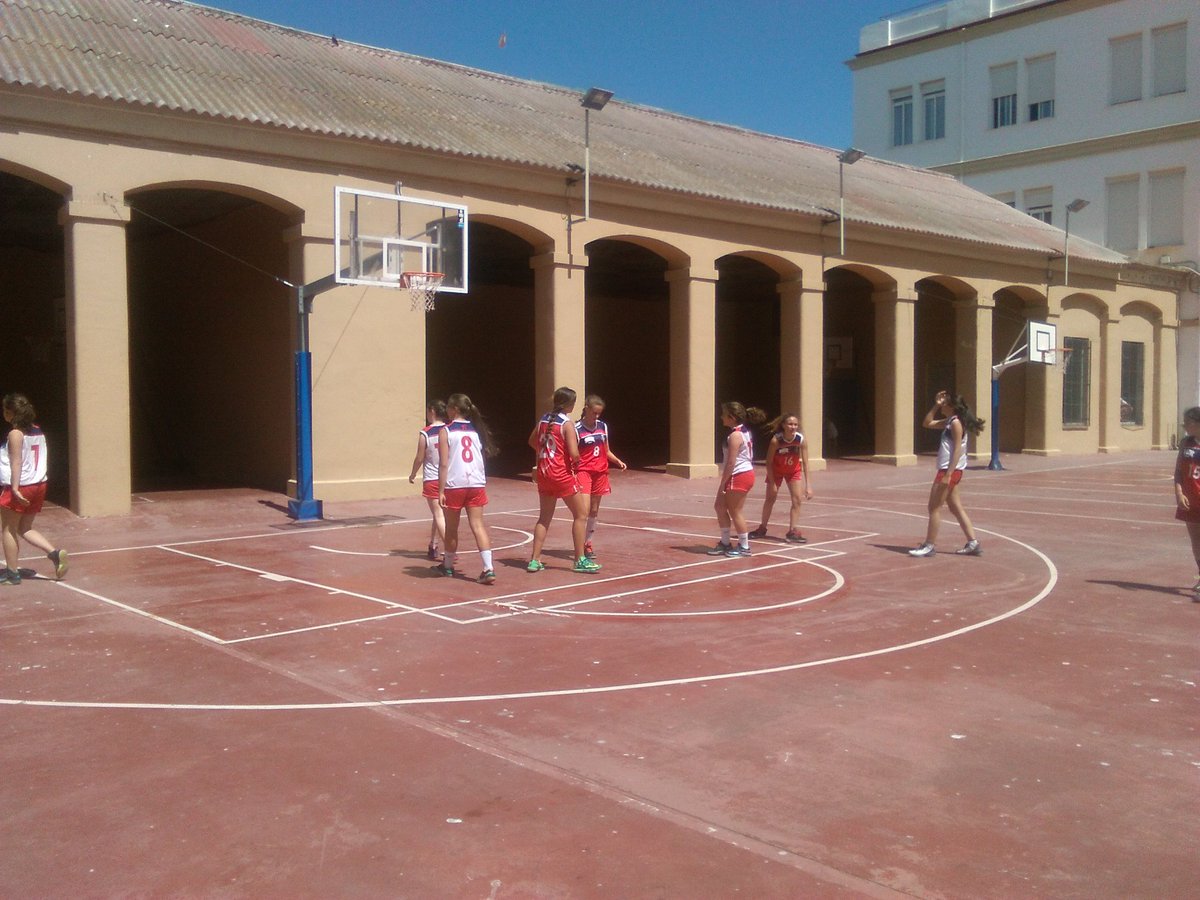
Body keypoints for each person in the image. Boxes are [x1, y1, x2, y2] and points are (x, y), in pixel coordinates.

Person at [527, 387, 599, 573]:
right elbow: (575, 454)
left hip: (545, 474)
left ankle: (534, 560)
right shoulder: (567, 424)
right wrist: (577, 461)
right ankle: (579, 559)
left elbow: (532, 441)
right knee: (581, 515)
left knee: (544, 518)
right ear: (569, 404)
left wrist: (546, 455)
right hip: (562, 475)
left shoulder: (544, 419)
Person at [0, 393, 68, 585]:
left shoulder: (15, 434)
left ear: (11, 413)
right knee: (25, 528)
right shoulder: (37, 431)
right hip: (39, 484)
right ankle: (54, 553)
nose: (3, 414)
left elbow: (16, 462)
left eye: (5, 410)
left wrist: (14, 488)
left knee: (8, 529)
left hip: (21, 485)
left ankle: (12, 574)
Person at [909, 390, 985, 558]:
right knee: (955, 507)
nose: (942, 404)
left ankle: (929, 545)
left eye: (944, 402)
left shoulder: (956, 423)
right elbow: (927, 423)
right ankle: (973, 543)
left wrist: (948, 474)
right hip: (951, 470)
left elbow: (957, 450)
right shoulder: (950, 421)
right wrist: (935, 405)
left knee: (934, 507)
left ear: (951, 406)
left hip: (949, 470)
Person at [435, 393, 497, 585]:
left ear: (454, 409)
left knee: (452, 528)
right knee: (478, 525)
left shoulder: (447, 430)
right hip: (476, 483)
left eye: (448, 407)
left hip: (456, 484)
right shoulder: (476, 430)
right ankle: (488, 568)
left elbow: (443, 464)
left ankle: (447, 566)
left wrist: (441, 490)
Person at [708, 402, 767, 558]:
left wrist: (723, 483)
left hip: (739, 475)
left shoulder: (735, 435)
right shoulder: (741, 431)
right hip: (740, 474)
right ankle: (725, 543)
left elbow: (731, 462)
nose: (721, 417)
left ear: (732, 417)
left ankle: (744, 546)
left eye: (724, 414)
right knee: (720, 506)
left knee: (735, 511)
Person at [575, 394, 627, 561]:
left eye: (599, 413)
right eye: (594, 413)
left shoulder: (602, 427)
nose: (596, 416)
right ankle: (579, 547)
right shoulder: (577, 429)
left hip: (600, 472)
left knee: (594, 510)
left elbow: (606, 450)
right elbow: (571, 453)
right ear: (587, 409)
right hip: (583, 471)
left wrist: (618, 461)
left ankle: (588, 544)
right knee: (583, 510)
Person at [749, 413, 813, 543]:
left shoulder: (800, 439)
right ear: (783, 425)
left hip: (793, 471)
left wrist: (809, 486)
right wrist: (772, 482)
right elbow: (768, 462)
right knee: (770, 499)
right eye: (790, 424)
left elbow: (806, 463)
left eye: (795, 424)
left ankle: (792, 530)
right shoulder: (776, 440)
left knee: (797, 500)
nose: (793, 427)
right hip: (776, 471)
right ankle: (762, 527)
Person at [408, 399, 447, 561]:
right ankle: (433, 544)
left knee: (438, 515)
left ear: (432, 411)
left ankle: (450, 549)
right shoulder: (448, 430)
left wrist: (413, 473)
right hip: (448, 479)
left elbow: (419, 457)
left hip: (432, 478)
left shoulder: (426, 432)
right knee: (439, 515)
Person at [1172, 406, 1200, 600]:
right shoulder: (1185, 443)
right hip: (1191, 499)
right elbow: (1178, 472)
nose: (1184, 426)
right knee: (1196, 540)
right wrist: (1179, 493)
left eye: (1187, 423)